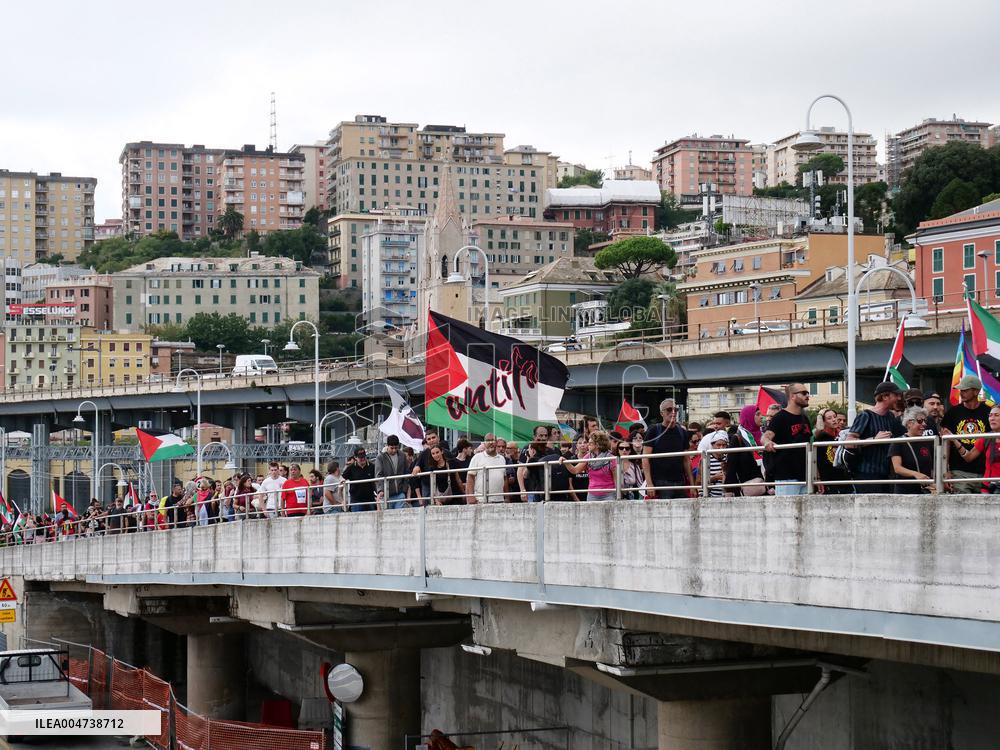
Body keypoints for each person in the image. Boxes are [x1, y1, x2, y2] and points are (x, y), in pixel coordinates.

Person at [846, 382, 905, 493]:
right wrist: (874, 440)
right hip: (865, 474)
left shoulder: (891, 416)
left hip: (886, 474)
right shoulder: (865, 415)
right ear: (885, 396)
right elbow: (848, 442)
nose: (899, 398)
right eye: (896, 395)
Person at [942, 374, 991, 493]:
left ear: (976, 392)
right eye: (960, 390)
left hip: (984, 472)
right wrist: (945, 470)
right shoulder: (952, 413)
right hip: (959, 472)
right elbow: (946, 443)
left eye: (965, 390)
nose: (961, 393)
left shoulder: (989, 412)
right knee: (961, 504)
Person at [761, 383, 812, 495]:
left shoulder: (805, 418)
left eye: (808, 393)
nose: (807, 396)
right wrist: (767, 442)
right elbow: (766, 436)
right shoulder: (780, 417)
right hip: (786, 476)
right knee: (786, 507)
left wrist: (816, 474)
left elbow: (810, 446)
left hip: (805, 475)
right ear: (792, 396)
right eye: (804, 393)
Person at [641, 398, 693, 499]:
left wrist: (692, 485)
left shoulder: (682, 432)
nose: (673, 412)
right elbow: (645, 458)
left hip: (679, 481)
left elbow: (686, 460)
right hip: (660, 482)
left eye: (675, 409)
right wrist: (650, 484)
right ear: (662, 413)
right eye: (669, 409)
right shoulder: (653, 430)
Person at [951, 404, 1000, 492]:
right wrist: (954, 440)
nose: (992, 418)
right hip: (988, 487)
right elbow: (969, 457)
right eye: (990, 415)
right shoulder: (986, 438)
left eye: (996, 415)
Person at [890, 407, 934, 494]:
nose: (924, 424)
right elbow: (897, 468)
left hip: (925, 490)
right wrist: (916, 474)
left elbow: (931, 466)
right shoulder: (898, 442)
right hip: (905, 491)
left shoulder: (927, 441)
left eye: (925, 421)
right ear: (909, 423)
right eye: (920, 421)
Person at [562, 431, 616, 501]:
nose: (587, 445)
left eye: (590, 443)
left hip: (609, 494)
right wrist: (565, 461)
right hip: (592, 495)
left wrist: (617, 496)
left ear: (597, 445)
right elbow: (575, 470)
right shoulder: (588, 456)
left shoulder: (611, 458)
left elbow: (616, 480)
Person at [814, 407, 852, 494]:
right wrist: (818, 479)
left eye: (835, 417)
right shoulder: (821, 437)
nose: (834, 420)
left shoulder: (841, 435)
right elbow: (816, 461)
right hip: (828, 478)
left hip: (843, 477)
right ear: (824, 422)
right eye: (829, 418)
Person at [466, 433, 507, 504]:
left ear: (496, 443)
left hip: (499, 500)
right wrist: (471, 496)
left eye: (493, 440)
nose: (490, 443)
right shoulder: (477, 457)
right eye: (488, 440)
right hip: (481, 500)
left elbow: (504, 478)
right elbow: (470, 477)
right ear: (484, 443)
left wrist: (507, 497)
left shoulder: (502, 459)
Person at [375, 436, 411, 510]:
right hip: (386, 494)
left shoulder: (402, 455)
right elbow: (378, 475)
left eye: (396, 448)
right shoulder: (380, 457)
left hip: (400, 493)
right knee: (388, 515)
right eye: (392, 448)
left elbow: (406, 473)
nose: (394, 450)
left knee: (399, 514)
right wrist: (381, 490)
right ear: (387, 446)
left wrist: (404, 489)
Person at [701, 430, 729, 497]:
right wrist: (714, 478)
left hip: (726, 496)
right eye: (718, 445)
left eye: (724, 445)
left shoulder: (728, 458)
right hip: (710, 496)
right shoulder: (706, 459)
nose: (721, 448)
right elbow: (700, 482)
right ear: (712, 445)